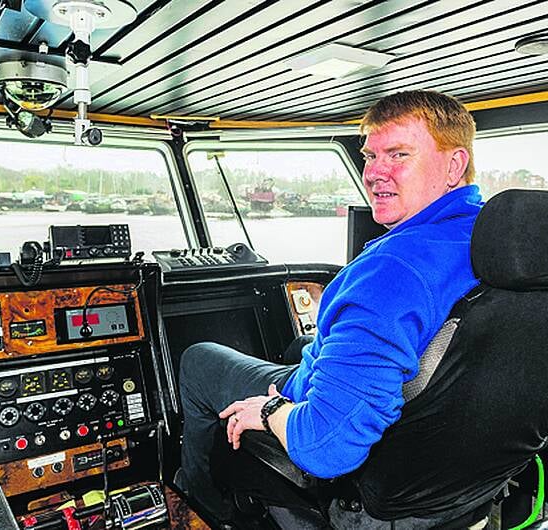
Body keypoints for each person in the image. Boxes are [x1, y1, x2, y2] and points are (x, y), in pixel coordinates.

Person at [177, 90, 483, 524]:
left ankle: (197, 498)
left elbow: (327, 445)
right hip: (448, 467)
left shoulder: (390, 272)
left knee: (198, 360)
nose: (374, 172)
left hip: (360, 461)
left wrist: (270, 411)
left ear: (454, 165)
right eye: (370, 155)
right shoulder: (489, 239)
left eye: (397, 154)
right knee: (301, 344)